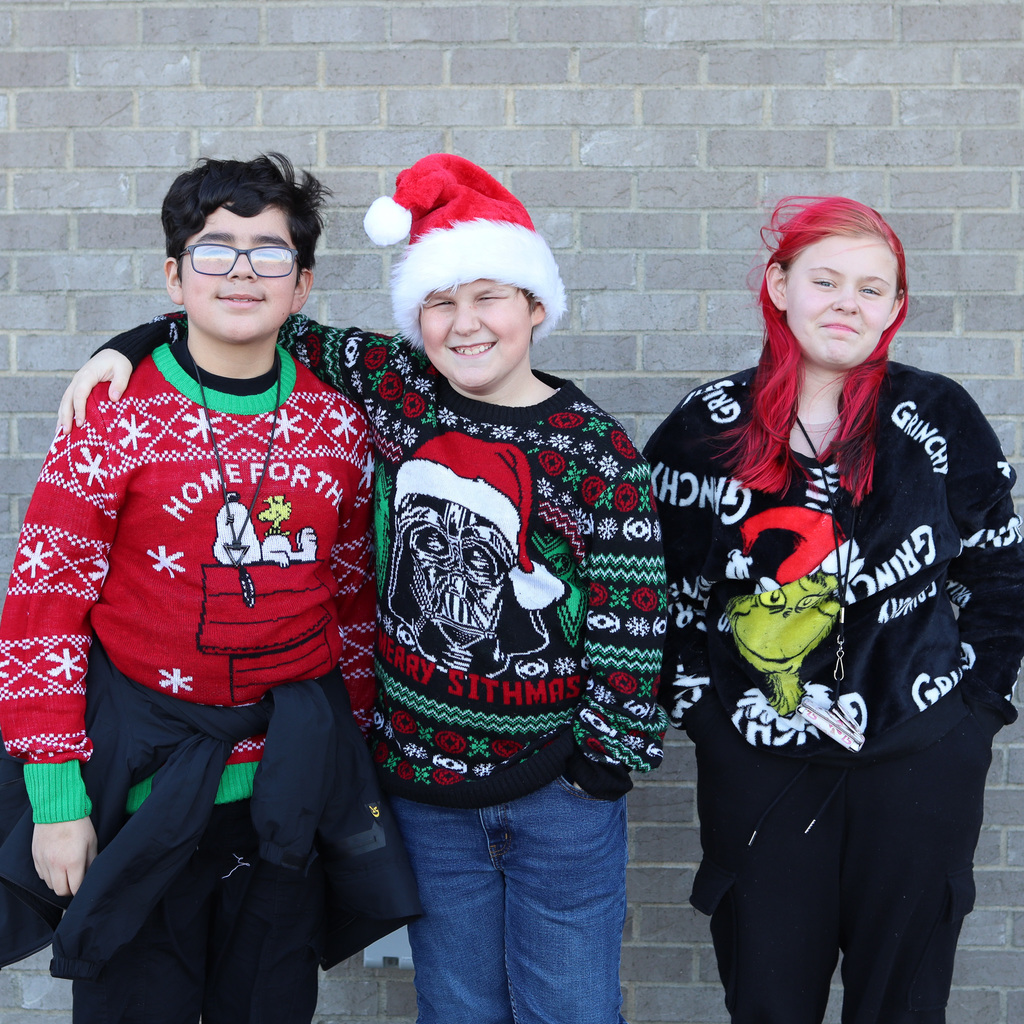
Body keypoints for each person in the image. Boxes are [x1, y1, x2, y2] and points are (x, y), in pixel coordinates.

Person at [55, 153, 669, 1024]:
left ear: (536, 305)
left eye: (490, 296)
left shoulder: (595, 453)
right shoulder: (395, 385)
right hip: (422, 786)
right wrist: (125, 346)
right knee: (454, 1002)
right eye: (440, 302)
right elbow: (243, 313)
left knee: (569, 1004)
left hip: (553, 794)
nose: (465, 324)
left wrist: (598, 767)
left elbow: (633, 619)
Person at [0, 153, 420, 1024]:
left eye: (269, 254)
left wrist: (359, 761)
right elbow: (44, 609)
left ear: (301, 286)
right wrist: (55, 801)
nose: (240, 271)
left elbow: (349, 605)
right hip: (143, 789)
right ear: (174, 275)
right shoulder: (111, 417)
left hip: (284, 796)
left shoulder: (335, 426)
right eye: (214, 249)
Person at [643, 196, 1024, 1024]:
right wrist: (709, 717)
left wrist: (976, 712)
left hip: (921, 765)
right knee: (770, 1004)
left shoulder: (942, 417)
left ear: (894, 308)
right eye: (825, 280)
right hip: (762, 773)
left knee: (903, 1006)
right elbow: (655, 593)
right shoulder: (703, 430)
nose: (847, 302)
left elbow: (1003, 573)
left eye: (871, 288)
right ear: (778, 285)